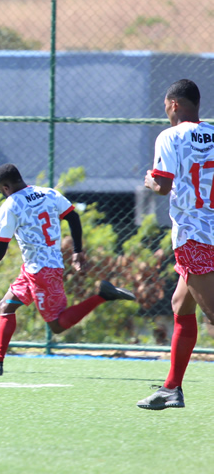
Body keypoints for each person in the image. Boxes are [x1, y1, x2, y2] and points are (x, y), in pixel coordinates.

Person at [0, 163, 136, 377]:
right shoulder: (48, 193)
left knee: (57, 325)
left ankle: (103, 295)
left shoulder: (10, 205)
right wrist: (77, 251)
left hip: (42, 272)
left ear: (5, 187)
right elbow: (73, 217)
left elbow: (1, 245)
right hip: (34, 268)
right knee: (6, 306)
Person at [138, 78, 214, 410]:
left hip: (195, 235)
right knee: (181, 304)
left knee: (212, 314)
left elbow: (164, 185)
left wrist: (150, 182)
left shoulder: (170, 136)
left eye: (166, 109)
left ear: (173, 105)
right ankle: (171, 388)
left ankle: (172, 389)